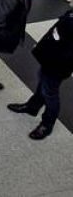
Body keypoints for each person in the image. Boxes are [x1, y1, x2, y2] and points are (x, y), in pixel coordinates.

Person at [8, 10, 73, 140]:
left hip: (58, 64)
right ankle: (32, 106)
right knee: (43, 83)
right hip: (52, 58)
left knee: (50, 93)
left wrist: (53, 59)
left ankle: (47, 124)